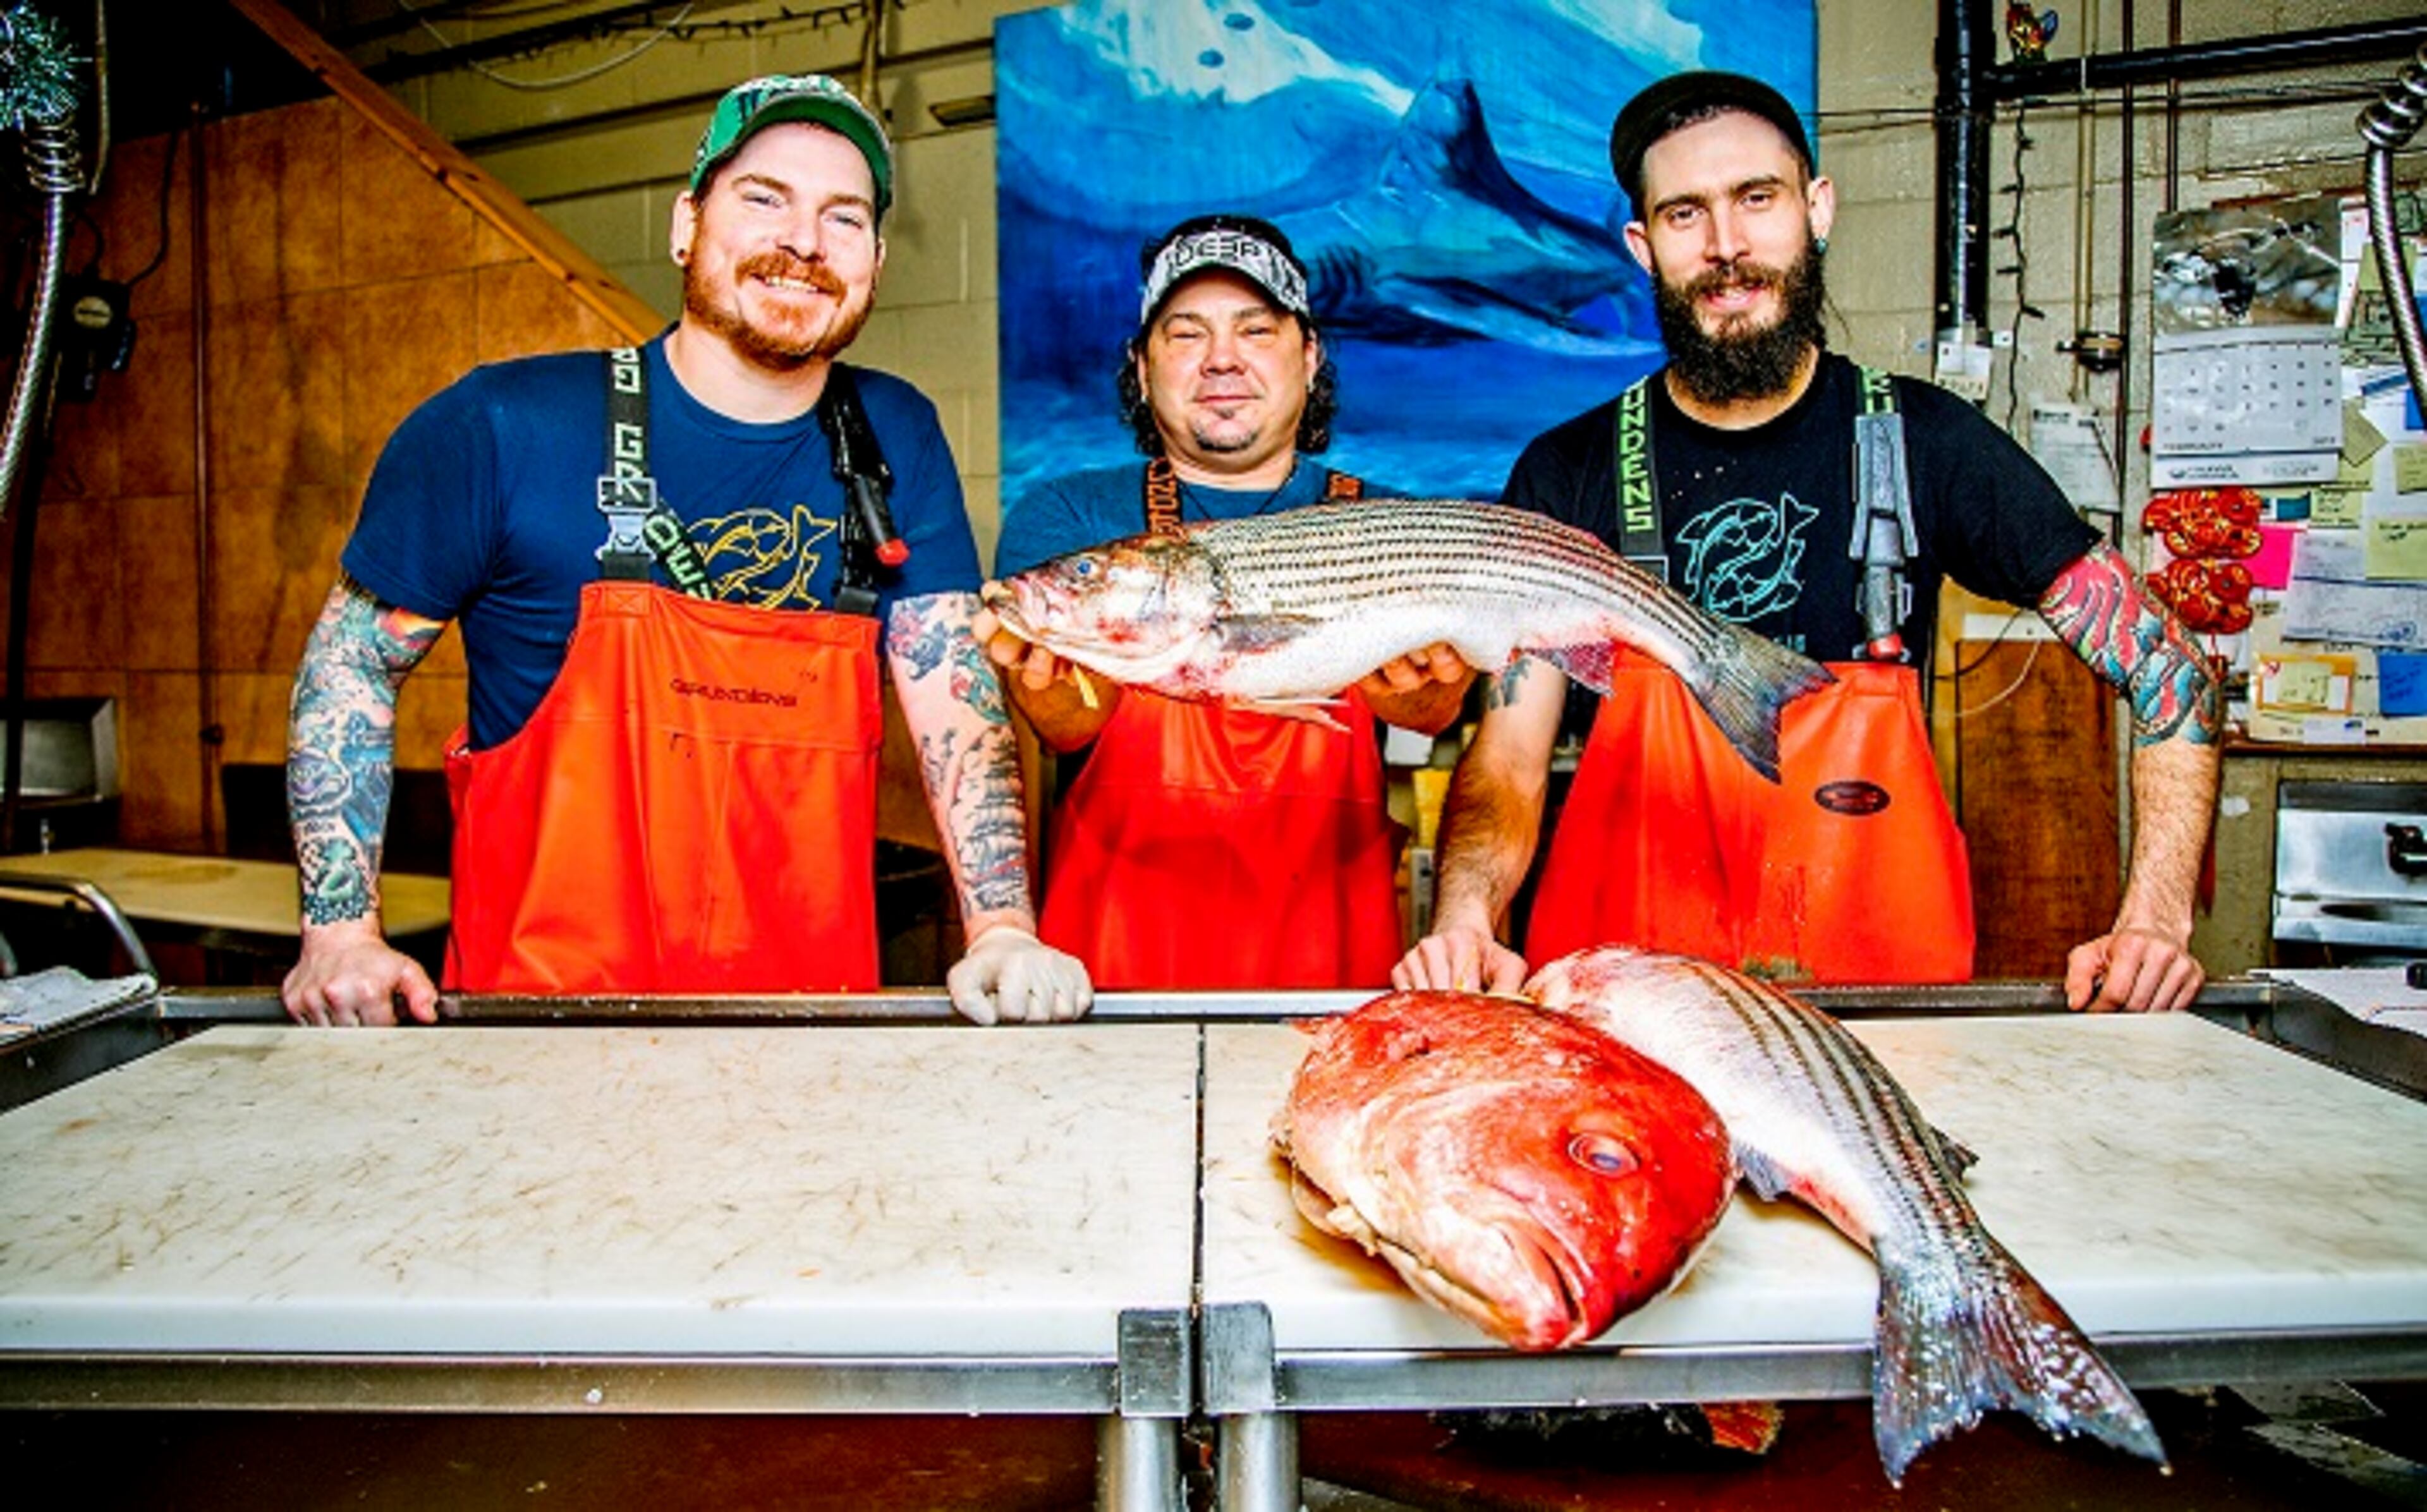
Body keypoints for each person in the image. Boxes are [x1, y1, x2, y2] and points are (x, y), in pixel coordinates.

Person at [1397, 71, 2220, 1012]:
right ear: (1642, 246)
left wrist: (2155, 915)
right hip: (1624, 1014)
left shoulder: (1928, 444)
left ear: (1815, 209)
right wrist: (1466, 913)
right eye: (1683, 214)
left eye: (1757, 199)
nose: (1726, 247)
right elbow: (1507, 757)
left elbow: (2170, 670)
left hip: (1872, 1024)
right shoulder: (1567, 471)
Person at [282, 73, 1089, 1027]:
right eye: (763, 199)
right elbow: (350, 662)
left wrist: (1000, 926)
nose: (803, 242)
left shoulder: (895, 434)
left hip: (808, 1038)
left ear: (875, 255)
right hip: (535, 1038)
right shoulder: (500, 422)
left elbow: (955, 700)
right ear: (685, 226)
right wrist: (339, 930)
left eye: (844, 216)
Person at [982, 215, 1473, 987]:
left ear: (1309, 358)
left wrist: (1429, 696)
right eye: (1185, 335)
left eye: (1255, 329)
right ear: (1142, 368)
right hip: (1114, 950)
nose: (1221, 359)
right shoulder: (1066, 522)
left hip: (1329, 946)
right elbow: (1061, 728)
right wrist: (1052, 688)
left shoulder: (1391, 527)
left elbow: (1432, 717)